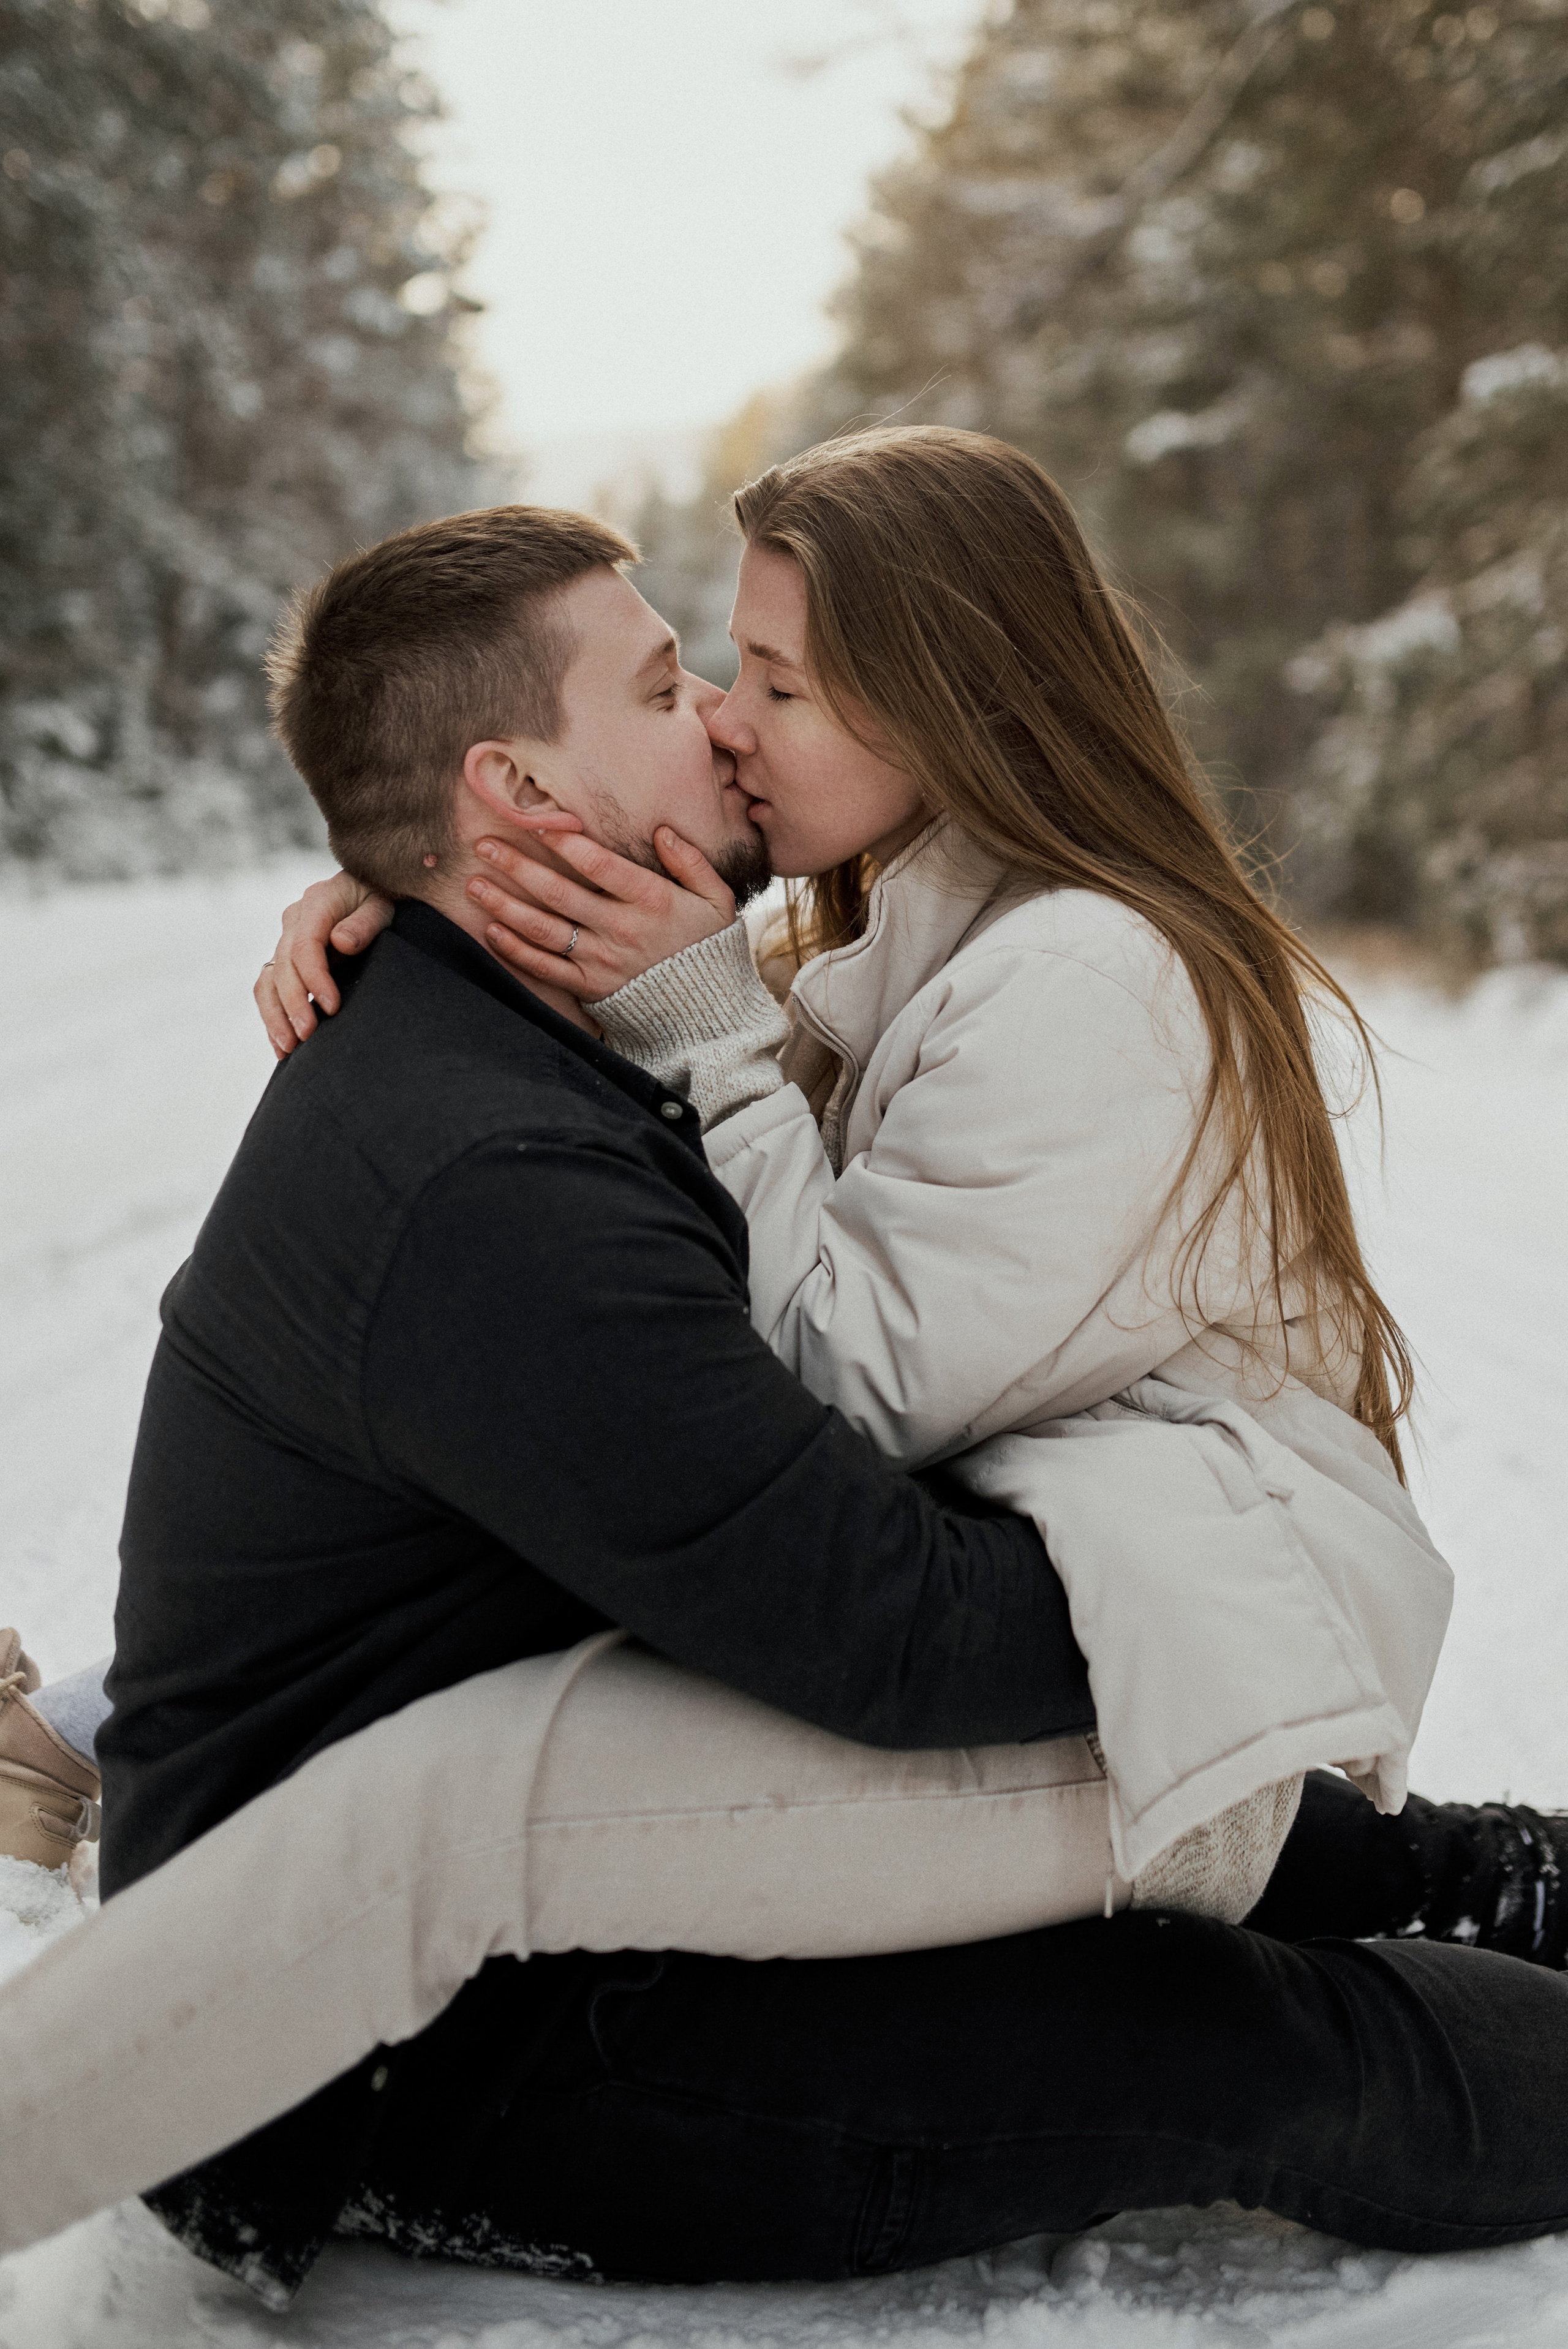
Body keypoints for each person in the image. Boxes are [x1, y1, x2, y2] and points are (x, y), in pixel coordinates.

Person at [5, 456, 1568, 2306]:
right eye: (678, 689)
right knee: (1201, 2028)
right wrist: (401, 868)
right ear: (509, 795)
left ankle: (1478, 1879)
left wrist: (440, 882)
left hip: (1030, 1622)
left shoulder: (831, 995)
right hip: (423, 2052)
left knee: (1254, 1890)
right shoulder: (497, 1146)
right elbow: (836, 1560)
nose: (730, 732)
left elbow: (796, 1420)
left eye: (756, 682)